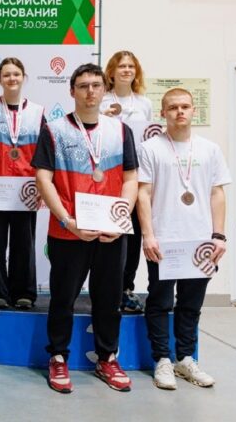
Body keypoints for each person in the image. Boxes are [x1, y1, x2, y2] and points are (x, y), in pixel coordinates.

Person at [32, 63, 138, 393]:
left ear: (104, 90)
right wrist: (67, 220)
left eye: (95, 85)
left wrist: (121, 218)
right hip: (68, 230)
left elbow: (131, 179)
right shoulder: (54, 130)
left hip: (111, 232)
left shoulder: (121, 131)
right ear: (72, 91)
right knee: (62, 298)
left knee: (109, 298)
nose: (90, 91)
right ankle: (58, 357)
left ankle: (107, 357)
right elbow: (43, 179)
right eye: (83, 86)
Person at [137, 88, 230, 390]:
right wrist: (148, 235)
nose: (180, 112)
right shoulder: (150, 148)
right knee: (160, 302)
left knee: (191, 305)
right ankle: (162, 360)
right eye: (173, 107)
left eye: (185, 107)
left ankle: (186, 358)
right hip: (164, 240)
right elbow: (143, 193)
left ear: (193, 111)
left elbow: (217, 193)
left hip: (200, 242)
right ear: (163, 112)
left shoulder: (209, 149)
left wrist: (218, 236)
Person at [0, 58, 45, 309]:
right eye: (6, 75)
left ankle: (24, 292)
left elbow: (44, 153)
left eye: (16, 74)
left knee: (24, 244)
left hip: (26, 188)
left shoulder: (37, 112)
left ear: (24, 77)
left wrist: (42, 186)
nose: (12, 78)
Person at [101, 50, 154, 313]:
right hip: (108, 177)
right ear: (111, 72)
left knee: (132, 237)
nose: (126, 70)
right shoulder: (101, 100)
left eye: (131, 66)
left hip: (136, 176)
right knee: (108, 235)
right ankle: (105, 289)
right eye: (121, 66)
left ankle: (126, 289)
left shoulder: (144, 103)